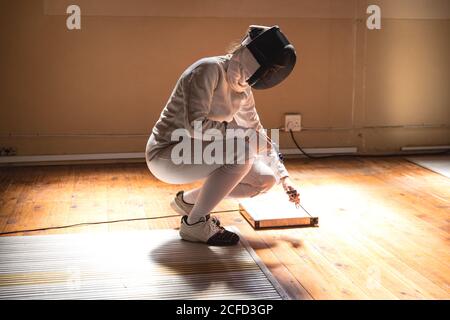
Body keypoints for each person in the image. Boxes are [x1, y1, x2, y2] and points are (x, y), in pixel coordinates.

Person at [145, 25, 300, 246]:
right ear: (252, 57)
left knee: (265, 181)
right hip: (167, 154)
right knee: (243, 151)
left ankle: (188, 203)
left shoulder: (243, 89)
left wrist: (284, 178)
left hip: (200, 154)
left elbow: (258, 134)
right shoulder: (207, 70)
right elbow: (195, 125)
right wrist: (243, 135)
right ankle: (195, 224)